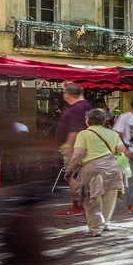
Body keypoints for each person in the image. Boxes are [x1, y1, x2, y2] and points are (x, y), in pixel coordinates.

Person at [66, 109, 126, 237]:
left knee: (92, 199)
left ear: (88, 120)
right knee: (109, 199)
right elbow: (121, 150)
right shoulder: (112, 133)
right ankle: (105, 224)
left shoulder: (84, 134)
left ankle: (95, 228)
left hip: (93, 170)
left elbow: (78, 153)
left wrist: (70, 168)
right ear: (103, 121)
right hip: (113, 168)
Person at [53, 84, 92, 217]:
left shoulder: (78, 107)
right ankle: (82, 204)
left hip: (75, 147)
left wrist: (68, 146)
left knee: (72, 174)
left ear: (67, 94)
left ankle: (78, 205)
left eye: (64, 92)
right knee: (76, 175)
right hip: (77, 145)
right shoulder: (82, 106)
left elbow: (75, 129)